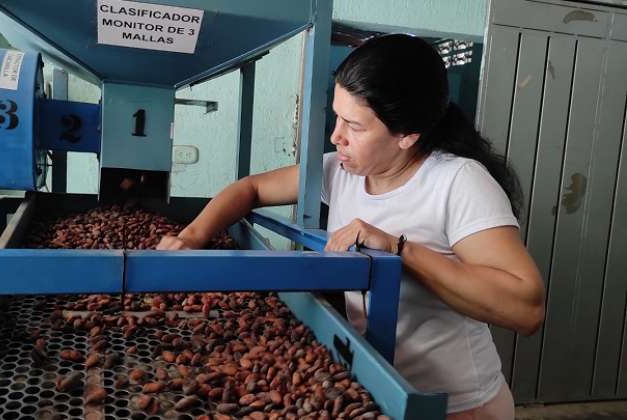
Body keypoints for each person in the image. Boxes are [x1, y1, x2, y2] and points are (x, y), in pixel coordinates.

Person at [158, 34, 545, 419]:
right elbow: (250, 188)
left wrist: (400, 248)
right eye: (337, 116)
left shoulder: (457, 181)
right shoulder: (341, 170)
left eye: (354, 126)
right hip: (378, 391)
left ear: (407, 135)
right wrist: (191, 237)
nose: (335, 136)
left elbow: (526, 309)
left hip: (457, 405)